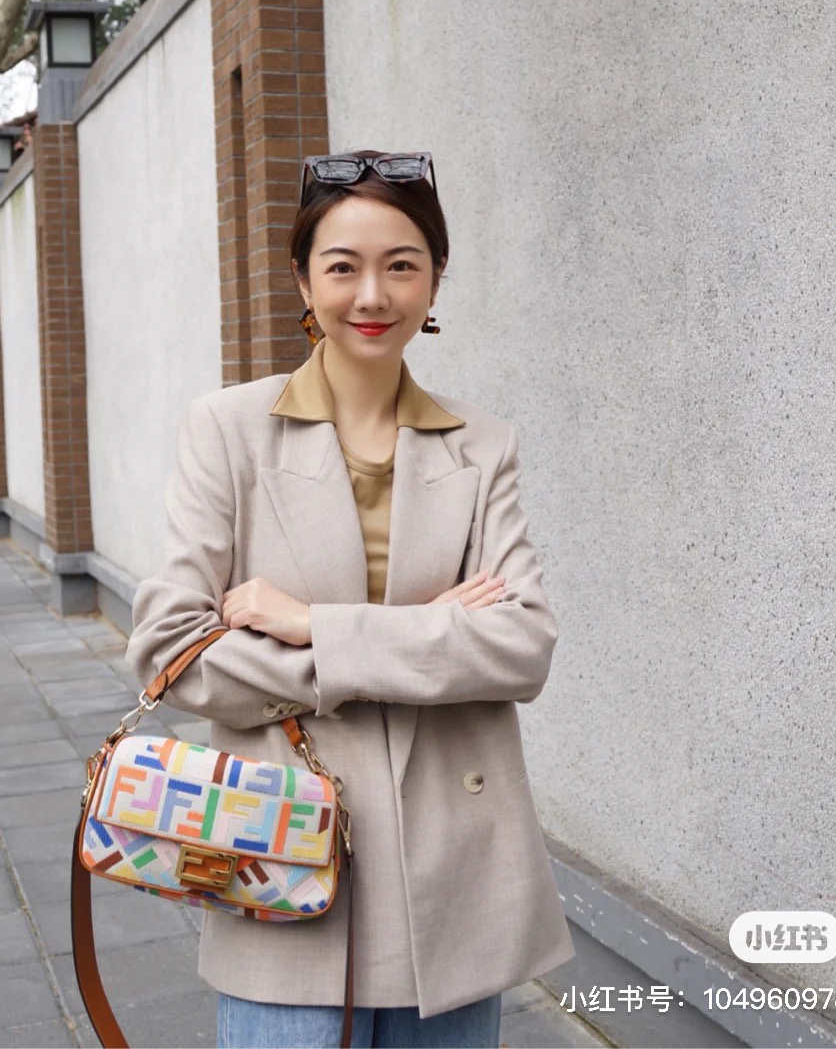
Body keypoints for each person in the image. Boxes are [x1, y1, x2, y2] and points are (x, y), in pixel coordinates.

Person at [125, 150, 574, 1049]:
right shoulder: (228, 430)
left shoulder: (484, 446)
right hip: (282, 861)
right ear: (303, 278)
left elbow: (523, 647)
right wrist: (429, 635)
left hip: (453, 880)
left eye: (401, 264)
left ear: (435, 278)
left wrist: (311, 628)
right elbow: (171, 650)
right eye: (343, 266)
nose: (372, 294)